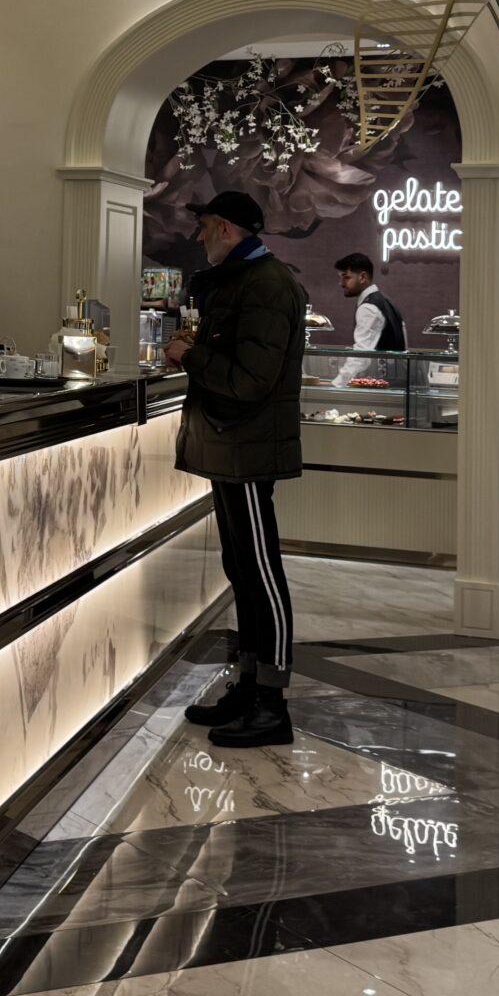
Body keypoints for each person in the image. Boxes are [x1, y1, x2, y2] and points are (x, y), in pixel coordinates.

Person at [162, 190, 308, 749]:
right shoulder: (243, 281)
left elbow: (250, 380)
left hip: (245, 448)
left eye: (203, 227)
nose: (199, 237)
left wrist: (190, 356)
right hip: (231, 445)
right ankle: (250, 686)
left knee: (260, 571)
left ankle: (271, 703)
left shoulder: (266, 285)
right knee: (242, 567)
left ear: (225, 228)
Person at [330, 251, 406, 385]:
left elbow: (361, 355)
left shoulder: (368, 307)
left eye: (346, 277)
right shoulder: (385, 300)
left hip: (385, 384)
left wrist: (338, 384)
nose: (341, 283)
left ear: (363, 277)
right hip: (398, 383)